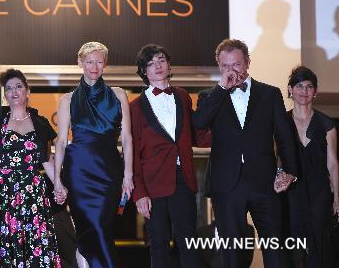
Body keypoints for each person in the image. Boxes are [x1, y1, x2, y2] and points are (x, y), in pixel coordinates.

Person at [192, 39, 298, 268]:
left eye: (237, 65)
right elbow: (198, 123)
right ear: (218, 66)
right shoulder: (209, 96)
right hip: (227, 184)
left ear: (248, 62)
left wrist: (288, 171)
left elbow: (284, 137)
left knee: (275, 249)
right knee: (232, 255)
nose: (231, 71)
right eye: (225, 66)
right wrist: (221, 89)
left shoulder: (269, 94)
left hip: (265, 182)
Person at [54, 42, 134, 268]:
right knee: (87, 227)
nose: (94, 67)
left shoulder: (118, 95)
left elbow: (127, 138)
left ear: (105, 64)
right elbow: (60, 142)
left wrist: (128, 174)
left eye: (99, 61)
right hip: (78, 171)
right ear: (80, 63)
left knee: (102, 227)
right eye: (89, 61)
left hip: (109, 171)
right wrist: (58, 180)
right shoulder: (67, 100)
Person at [0, 69, 61, 267]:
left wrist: (59, 186)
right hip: (2, 192)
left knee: (34, 245)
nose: (14, 91)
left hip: (32, 192)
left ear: (28, 91)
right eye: (9, 88)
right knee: (1, 246)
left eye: (19, 86)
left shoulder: (41, 123)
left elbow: (46, 160)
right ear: (5, 94)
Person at [130, 44, 203, 267]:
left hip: (184, 179)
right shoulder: (135, 107)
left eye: (161, 60)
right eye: (150, 64)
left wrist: (230, 135)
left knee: (189, 243)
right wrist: (139, 192)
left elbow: (194, 134)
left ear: (169, 64)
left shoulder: (182, 96)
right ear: (144, 72)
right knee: (159, 246)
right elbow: (132, 153)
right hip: (153, 186)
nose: (158, 66)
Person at [285, 66, 338, 267]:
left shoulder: (327, 124)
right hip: (291, 192)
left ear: (315, 91)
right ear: (290, 89)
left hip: (320, 191)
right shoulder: (282, 121)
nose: (304, 91)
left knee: (320, 242)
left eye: (309, 86)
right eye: (299, 86)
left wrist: (337, 197)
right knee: (293, 244)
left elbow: (333, 163)